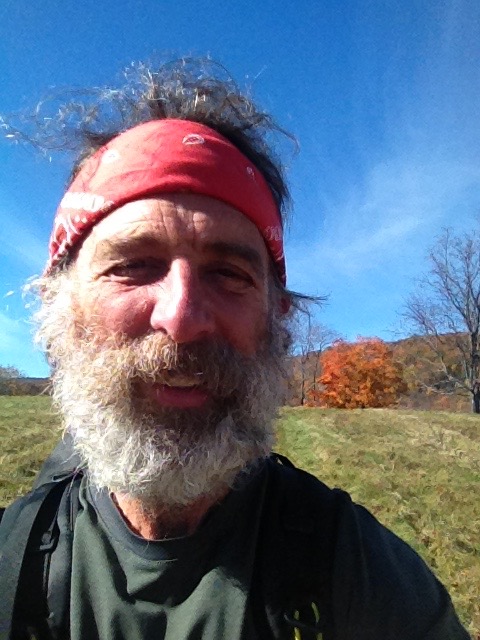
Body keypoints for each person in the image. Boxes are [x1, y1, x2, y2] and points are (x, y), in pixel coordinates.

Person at [0, 59, 471, 640]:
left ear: (278, 318)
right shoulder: (12, 561)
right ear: (57, 303)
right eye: (133, 265)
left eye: (229, 274)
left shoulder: (367, 580)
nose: (182, 318)